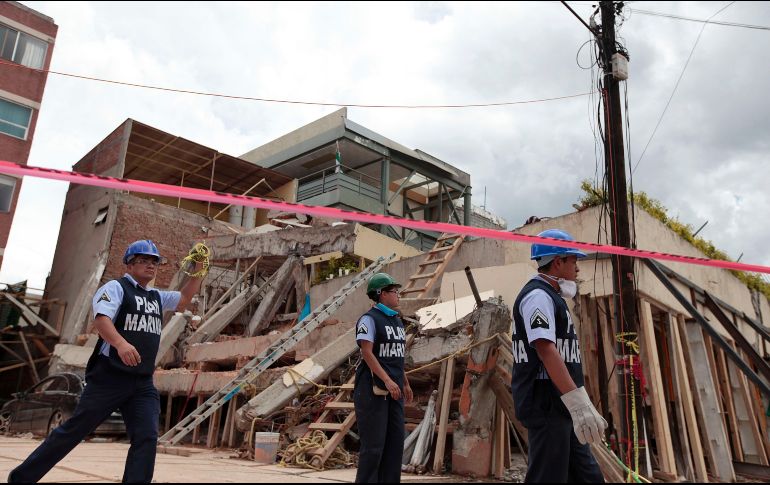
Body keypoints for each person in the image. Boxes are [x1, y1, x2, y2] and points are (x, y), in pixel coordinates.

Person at [8, 239, 205, 483]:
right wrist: (120, 344)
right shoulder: (116, 288)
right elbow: (101, 320)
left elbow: (184, 299)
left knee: (146, 436)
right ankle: (21, 478)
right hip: (109, 379)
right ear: (129, 265)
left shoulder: (156, 296)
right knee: (73, 431)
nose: (150, 265)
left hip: (142, 383)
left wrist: (200, 270)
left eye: (154, 261)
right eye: (143, 260)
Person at [510, 229, 607, 483]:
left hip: (563, 406)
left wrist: (577, 404)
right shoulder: (538, 296)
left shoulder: (554, 297)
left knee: (589, 476)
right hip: (547, 404)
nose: (577, 267)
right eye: (573, 260)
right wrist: (578, 403)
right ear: (557, 261)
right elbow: (545, 348)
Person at [353, 272, 413, 483]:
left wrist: (404, 382)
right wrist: (387, 379)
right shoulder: (369, 320)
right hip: (372, 389)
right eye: (393, 291)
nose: (398, 295)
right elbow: (367, 353)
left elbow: (397, 356)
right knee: (374, 446)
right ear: (381, 294)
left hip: (395, 391)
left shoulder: (397, 321)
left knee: (395, 443)